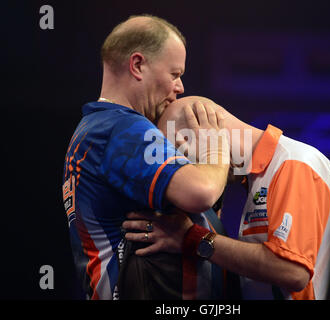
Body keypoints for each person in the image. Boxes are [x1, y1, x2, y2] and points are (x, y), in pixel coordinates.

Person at [62, 15, 235, 300]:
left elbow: (204, 213)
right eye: (175, 74)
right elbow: (200, 192)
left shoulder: (97, 129)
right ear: (138, 65)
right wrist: (216, 148)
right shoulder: (119, 127)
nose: (180, 87)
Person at [123, 95, 330, 300]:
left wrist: (191, 238)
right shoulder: (258, 179)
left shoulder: (294, 163)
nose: (187, 176)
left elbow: (292, 271)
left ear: (197, 135)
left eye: (179, 159)